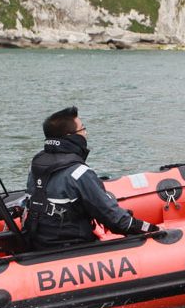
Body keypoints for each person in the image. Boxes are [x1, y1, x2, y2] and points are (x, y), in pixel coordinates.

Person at [24, 106, 159, 250]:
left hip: (40, 244)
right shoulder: (78, 173)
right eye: (82, 129)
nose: (85, 133)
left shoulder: (36, 166)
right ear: (71, 136)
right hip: (72, 248)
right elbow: (116, 221)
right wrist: (154, 231)